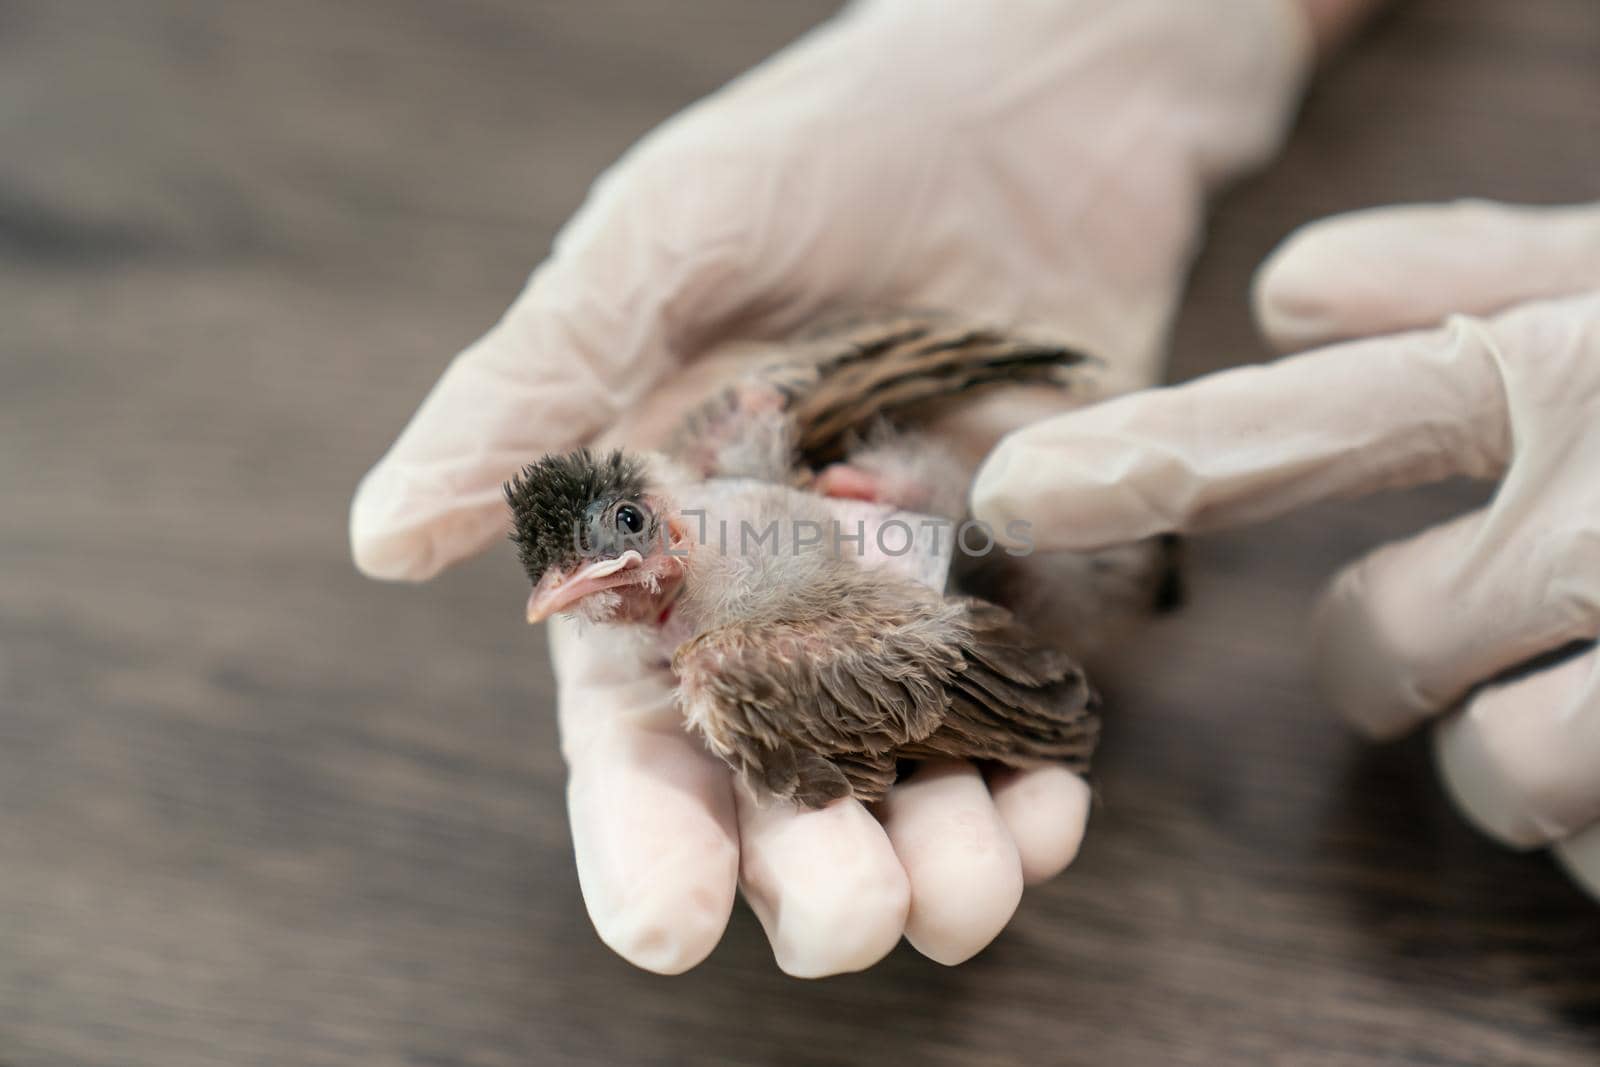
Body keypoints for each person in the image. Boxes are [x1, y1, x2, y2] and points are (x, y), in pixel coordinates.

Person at [349, 0, 1594, 978]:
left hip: (980, 549)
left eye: (615, 532)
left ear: (650, 502)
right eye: (578, 579)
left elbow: (895, 552)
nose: (609, 574)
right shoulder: (718, 633)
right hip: (968, 557)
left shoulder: (734, 580)